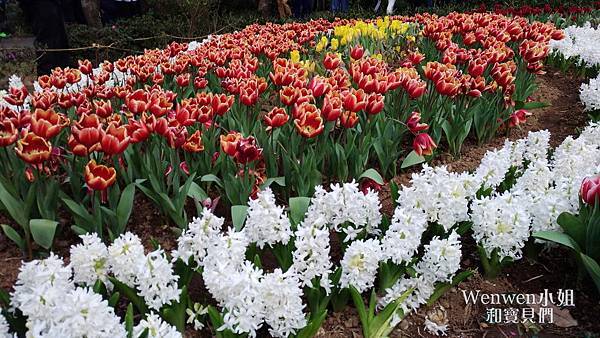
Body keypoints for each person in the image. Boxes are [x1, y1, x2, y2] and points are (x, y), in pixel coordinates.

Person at [19, 0, 70, 75]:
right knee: (47, 42)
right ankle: (47, 77)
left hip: (51, 8)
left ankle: (61, 74)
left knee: (59, 42)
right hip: (41, 8)